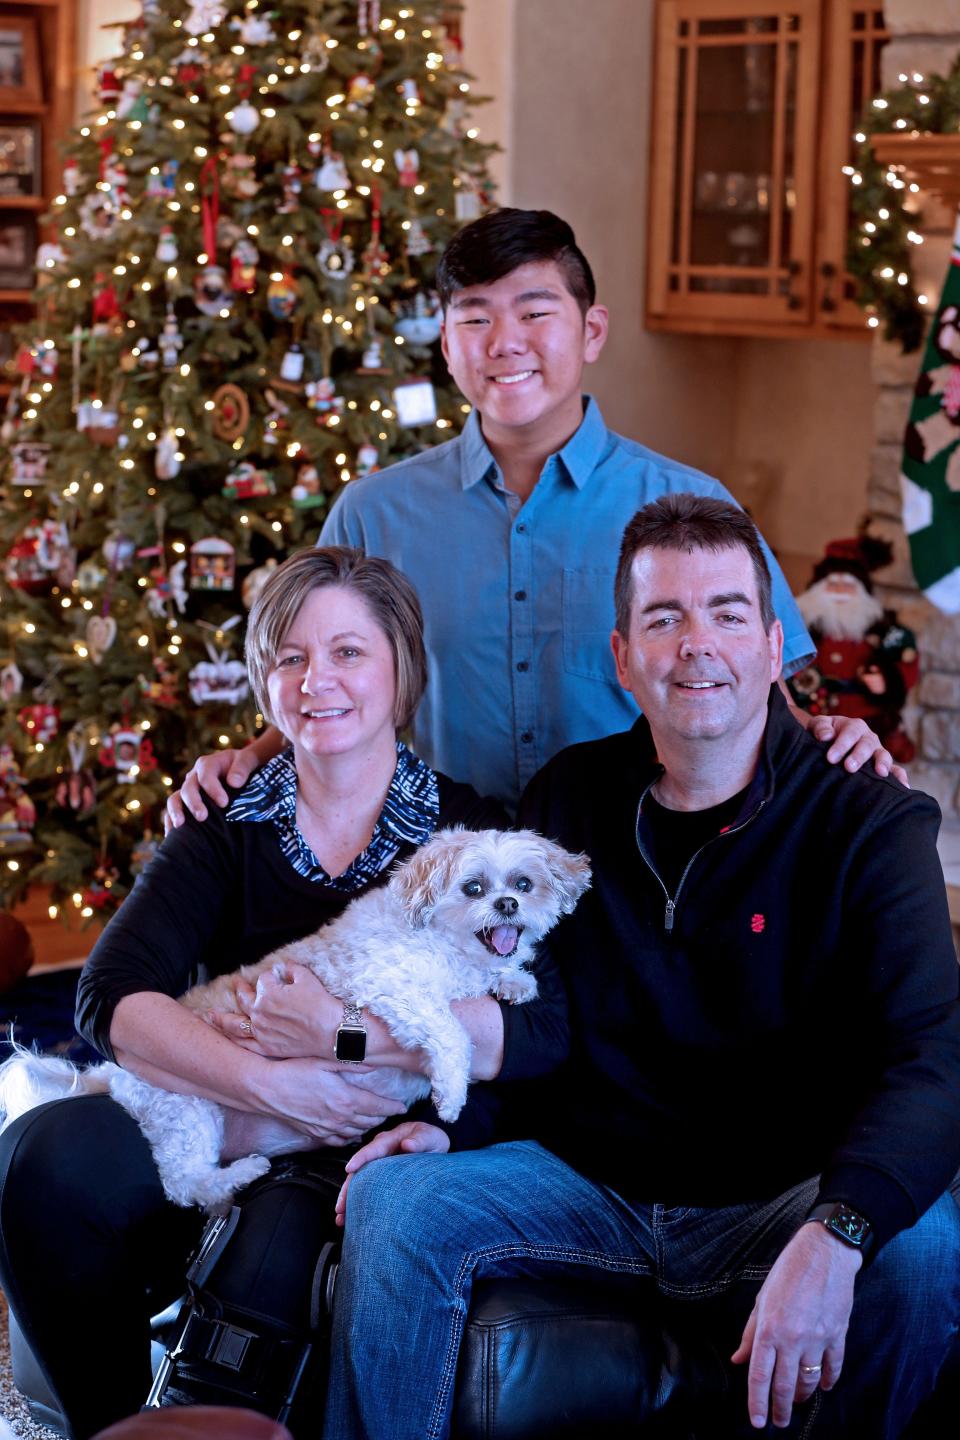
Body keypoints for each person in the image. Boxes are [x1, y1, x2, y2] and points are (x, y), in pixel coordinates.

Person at [320, 496, 960, 1440]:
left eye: (728, 614)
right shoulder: (569, 799)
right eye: (665, 619)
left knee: (923, 1257)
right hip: (589, 1184)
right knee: (392, 1200)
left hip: (781, 1194)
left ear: (773, 646)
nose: (698, 644)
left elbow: (932, 1058)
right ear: (623, 659)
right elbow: (533, 1006)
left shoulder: (869, 824)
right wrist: (454, 1126)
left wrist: (840, 1230)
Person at [0, 548, 563, 1440]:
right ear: (263, 679)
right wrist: (267, 1084)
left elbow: (534, 1030)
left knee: (278, 1253)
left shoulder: (471, 844)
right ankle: (111, 1430)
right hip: (232, 1107)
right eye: (289, 657)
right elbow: (108, 997)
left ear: (401, 669)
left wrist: (340, 1040)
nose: (316, 681)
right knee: (44, 1157)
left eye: (348, 653)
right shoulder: (226, 827)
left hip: (388, 1136)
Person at [166, 208, 901, 828]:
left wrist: (833, 738)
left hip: (635, 873)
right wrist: (246, 761)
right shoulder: (372, 513)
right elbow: (324, 685)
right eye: (475, 318)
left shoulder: (689, 506)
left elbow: (754, 697)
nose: (504, 342)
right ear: (447, 345)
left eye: (535, 313)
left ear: (591, 331)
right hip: (436, 877)